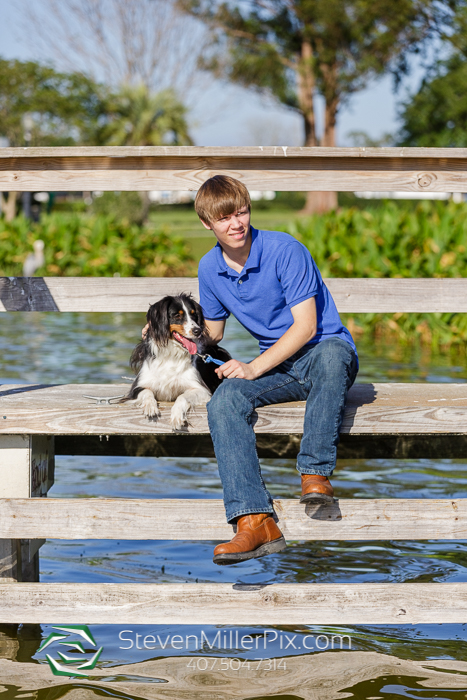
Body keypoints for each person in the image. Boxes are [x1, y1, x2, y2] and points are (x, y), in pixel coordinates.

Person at [194, 175, 358, 566]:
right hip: (281, 365)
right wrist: (172, 327)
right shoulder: (209, 268)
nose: (236, 223)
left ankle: (314, 475)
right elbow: (212, 335)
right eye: (224, 218)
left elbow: (307, 327)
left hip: (324, 353)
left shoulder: (286, 249)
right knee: (224, 401)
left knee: (333, 357)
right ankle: (255, 521)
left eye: (242, 212)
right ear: (207, 225)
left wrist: (252, 368)